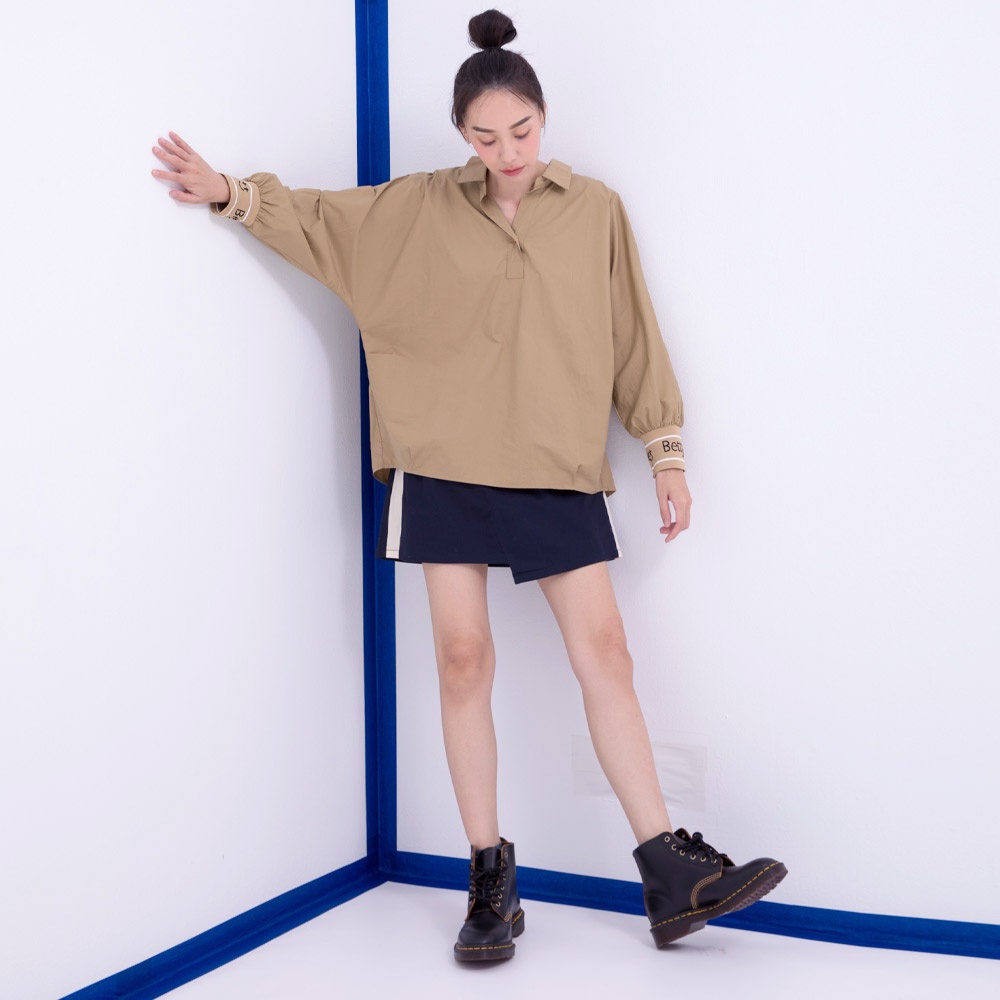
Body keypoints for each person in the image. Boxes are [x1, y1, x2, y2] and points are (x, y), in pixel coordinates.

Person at [152, 8, 786, 962]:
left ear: (543, 116)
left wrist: (666, 453)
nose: (508, 152)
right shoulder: (415, 208)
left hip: (554, 458)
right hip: (443, 457)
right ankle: (490, 879)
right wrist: (231, 194)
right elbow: (322, 221)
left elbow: (632, 333)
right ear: (462, 133)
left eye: (521, 131)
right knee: (462, 659)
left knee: (606, 654)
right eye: (486, 138)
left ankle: (669, 869)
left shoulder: (596, 209)